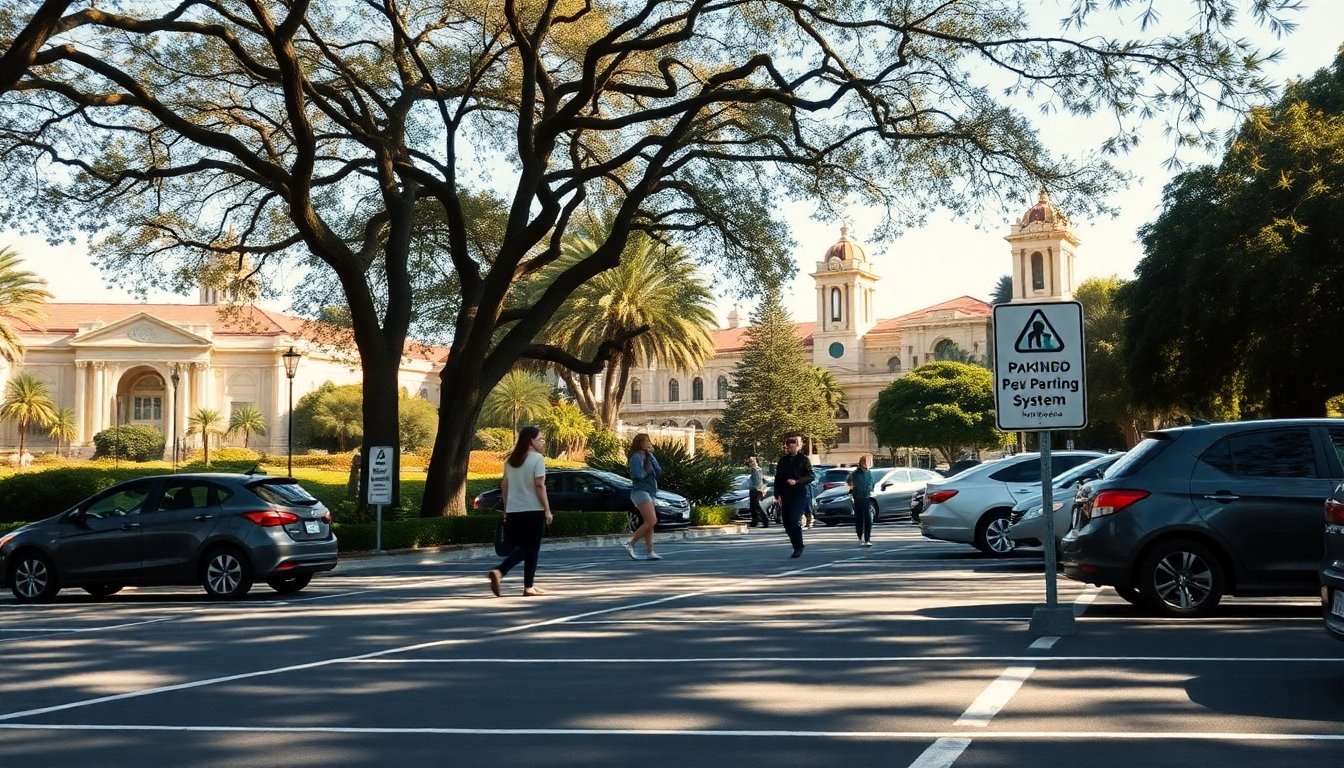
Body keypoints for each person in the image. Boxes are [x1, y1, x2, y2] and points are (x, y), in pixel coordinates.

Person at [487, 426, 553, 597]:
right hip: (533, 510)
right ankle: (500, 571)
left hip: (514, 511)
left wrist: (507, 510)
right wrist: (547, 509)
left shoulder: (510, 461)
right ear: (531, 440)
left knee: (526, 548)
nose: (542, 442)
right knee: (531, 548)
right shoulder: (537, 459)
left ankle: (528, 586)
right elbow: (539, 485)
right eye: (540, 439)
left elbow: (505, 486)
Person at [773, 434, 814, 558]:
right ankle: (795, 543)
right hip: (786, 494)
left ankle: (798, 547)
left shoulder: (803, 459)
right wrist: (777, 494)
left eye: (792, 446)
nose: (790, 449)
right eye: (788, 447)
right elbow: (778, 479)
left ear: (797, 446)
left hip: (799, 494)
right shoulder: (783, 460)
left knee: (794, 520)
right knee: (786, 522)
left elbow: (810, 476)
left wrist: (797, 481)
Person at [625, 432, 662, 560]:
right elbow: (637, 474)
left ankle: (650, 552)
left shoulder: (648, 455)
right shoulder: (636, 456)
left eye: (648, 441)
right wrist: (648, 471)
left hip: (650, 490)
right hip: (640, 491)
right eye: (646, 441)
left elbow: (658, 471)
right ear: (640, 443)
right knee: (652, 521)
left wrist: (651, 460)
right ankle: (631, 543)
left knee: (649, 523)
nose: (648, 443)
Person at [849, 454, 875, 547]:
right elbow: (849, 482)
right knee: (859, 518)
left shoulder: (869, 473)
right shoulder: (855, 474)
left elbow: (872, 482)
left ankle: (867, 538)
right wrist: (852, 488)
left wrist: (870, 488)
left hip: (866, 498)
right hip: (858, 498)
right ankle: (860, 536)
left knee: (868, 518)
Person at [747, 456, 769, 528]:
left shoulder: (756, 470)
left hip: (755, 490)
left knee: (756, 507)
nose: (749, 464)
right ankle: (756, 521)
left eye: (750, 462)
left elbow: (759, 481)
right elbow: (763, 480)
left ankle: (763, 521)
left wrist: (760, 489)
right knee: (755, 507)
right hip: (756, 490)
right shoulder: (756, 470)